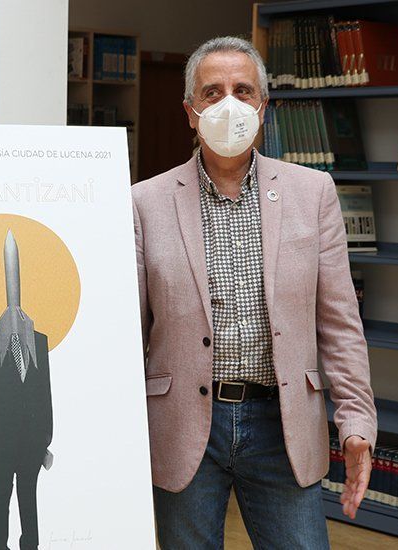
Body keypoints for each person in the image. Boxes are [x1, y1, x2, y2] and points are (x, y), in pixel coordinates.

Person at [132, 36, 377, 549]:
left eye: (243, 91)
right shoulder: (144, 202)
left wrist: (355, 421)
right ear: (190, 112)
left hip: (283, 423)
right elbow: (128, 332)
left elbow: (340, 323)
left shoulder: (313, 193)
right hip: (183, 426)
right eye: (212, 91)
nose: (228, 103)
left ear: (262, 108)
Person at [0, 231, 53, 550]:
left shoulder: (40, 343)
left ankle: (29, 544)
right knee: (0, 494)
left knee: (29, 497)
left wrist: (46, 438)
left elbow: (44, 393)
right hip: (0, 442)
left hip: (32, 440)